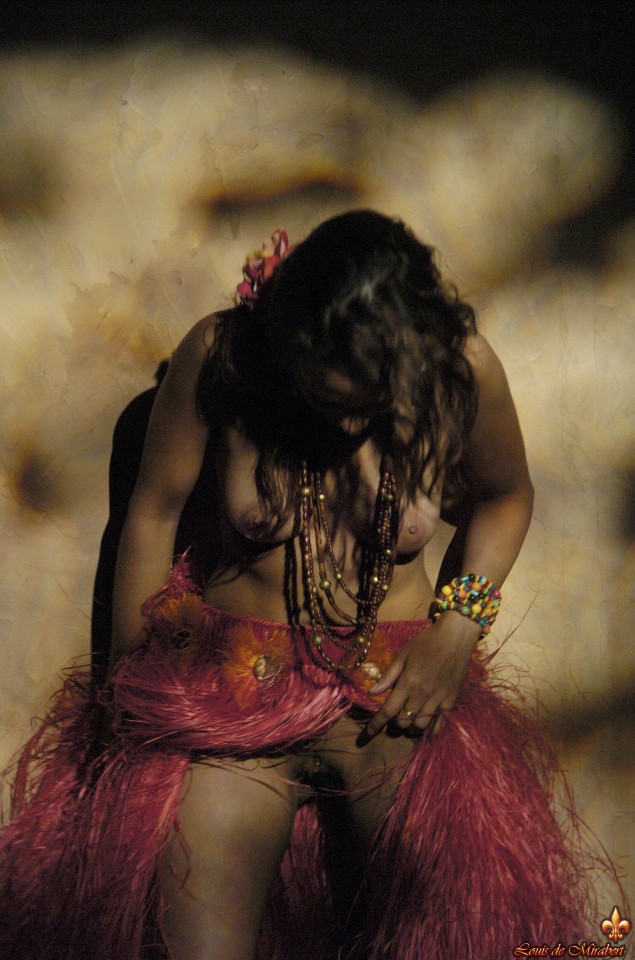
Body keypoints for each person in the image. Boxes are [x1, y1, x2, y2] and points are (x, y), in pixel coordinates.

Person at [1, 211, 592, 960]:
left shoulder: (460, 369)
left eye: (369, 404)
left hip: (390, 699)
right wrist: (128, 698)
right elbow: (151, 513)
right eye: (327, 398)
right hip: (229, 702)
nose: (346, 426)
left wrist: (456, 630)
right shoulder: (225, 357)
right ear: (292, 343)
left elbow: (506, 496)